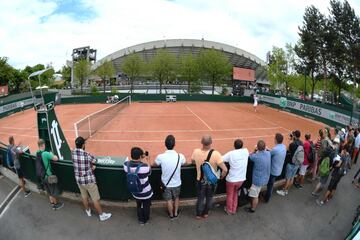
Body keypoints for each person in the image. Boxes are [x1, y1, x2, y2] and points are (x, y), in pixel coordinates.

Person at [71, 136, 111, 221]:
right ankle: (101, 215)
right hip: (89, 181)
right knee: (95, 199)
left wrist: (89, 167)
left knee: (84, 197)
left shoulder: (73, 153)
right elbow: (95, 161)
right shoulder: (86, 154)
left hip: (79, 180)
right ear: (83, 145)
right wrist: (92, 167)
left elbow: (79, 165)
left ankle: (88, 211)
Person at [191, 135, 228, 219]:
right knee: (209, 197)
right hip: (211, 182)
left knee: (200, 198)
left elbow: (192, 161)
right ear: (211, 142)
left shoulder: (196, 151)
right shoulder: (216, 154)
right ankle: (206, 213)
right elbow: (225, 170)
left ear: (201, 142)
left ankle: (198, 214)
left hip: (200, 181)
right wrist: (221, 177)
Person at [154, 135, 186, 219]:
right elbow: (184, 163)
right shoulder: (180, 156)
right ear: (174, 144)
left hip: (165, 184)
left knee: (168, 200)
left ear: (165, 144)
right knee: (176, 198)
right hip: (177, 183)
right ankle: (175, 213)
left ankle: (171, 215)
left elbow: (154, 164)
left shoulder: (160, 157)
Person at [124, 147, 153, 225]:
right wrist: (148, 159)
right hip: (146, 192)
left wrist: (139, 157)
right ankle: (145, 219)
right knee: (146, 206)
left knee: (139, 205)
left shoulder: (126, 166)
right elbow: (150, 172)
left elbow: (127, 160)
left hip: (135, 192)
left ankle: (140, 220)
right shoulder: (145, 167)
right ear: (140, 156)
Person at [222, 139, 249, 214]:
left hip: (231, 180)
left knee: (230, 195)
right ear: (242, 146)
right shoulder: (245, 151)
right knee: (235, 193)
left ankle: (229, 209)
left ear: (234, 146)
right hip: (241, 180)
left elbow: (221, 159)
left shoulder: (231, 153)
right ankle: (233, 209)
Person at [37, 139, 63, 210]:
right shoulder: (45, 153)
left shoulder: (37, 153)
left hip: (42, 176)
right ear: (43, 145)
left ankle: (52, 204)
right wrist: (51, 153)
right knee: (53, 191)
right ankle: (56, 205)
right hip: (48, 176)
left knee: (48, 191)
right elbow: (56, 158)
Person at [245, 140, 270, 213]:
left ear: (258, 148)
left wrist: (254, 150)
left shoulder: (256, 156)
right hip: (265, 178)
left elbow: (249, 156)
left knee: (255, 196)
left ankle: (252, 209)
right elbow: (267, 150)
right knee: (256, 192)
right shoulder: (268, 153)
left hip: (258, 180)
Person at [277, 130, 304, 197]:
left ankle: (283, 191)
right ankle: (287, 190)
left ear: (294, 136)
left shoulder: (293, 144)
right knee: (292, 178)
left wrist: (290, 140)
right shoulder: (301, 143)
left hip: (291, 163)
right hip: (297, 163)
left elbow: (287, 149)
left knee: (288, 178)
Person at [264, 133, 286, 202]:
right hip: (279, 169)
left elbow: (269, 154)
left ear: (276, 140)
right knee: (271, 183)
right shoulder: (283, 146)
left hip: (273, 170)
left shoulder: (275, 149)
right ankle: (267, 194)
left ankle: (267, 198)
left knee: (270, 185)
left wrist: (265, 149)